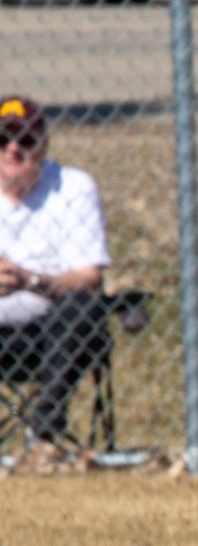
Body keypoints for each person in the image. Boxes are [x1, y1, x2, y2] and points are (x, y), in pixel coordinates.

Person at [0, 94, 113, 450]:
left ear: (44, 146)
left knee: (84, 307)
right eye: (2, 139)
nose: (13, 149)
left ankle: (44, 437)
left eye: (26, 140)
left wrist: (28, 280)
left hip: (48, 332)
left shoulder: (72, 188)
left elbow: (89, 278)